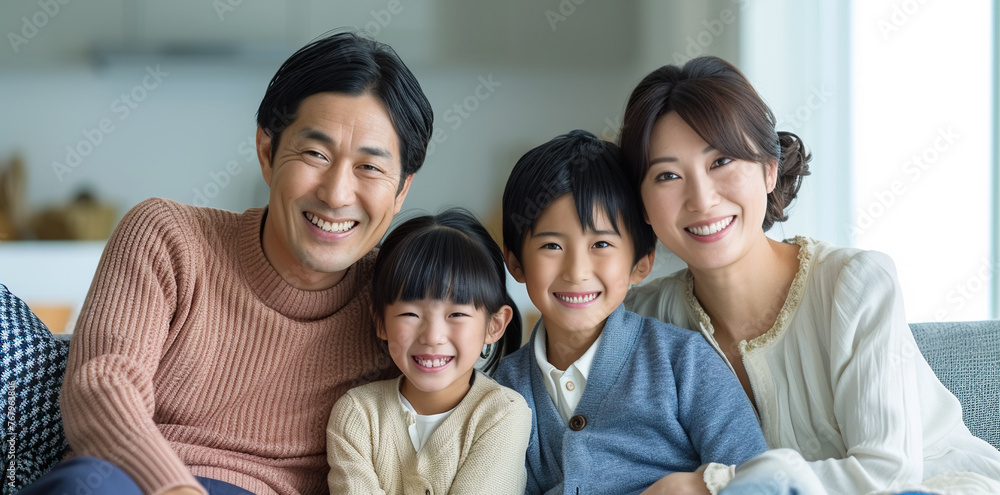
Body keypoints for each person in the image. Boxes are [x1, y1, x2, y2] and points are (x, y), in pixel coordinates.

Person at [17, 31, 434, 495]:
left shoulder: (401, 299)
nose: (336, 194)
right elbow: (103, 383)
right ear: (266, 151)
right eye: (315, 154)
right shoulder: (168, 237)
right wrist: (173, 487)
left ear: (402, 191)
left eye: (369, 168)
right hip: (127, 483)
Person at [619, 56, 1000, 495]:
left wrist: (711, 486)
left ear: (768, 168)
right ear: (643, 206)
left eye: (721, 161)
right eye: (667, 175)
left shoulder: (855, 284)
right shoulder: (641, 318)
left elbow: (888, 474)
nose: (702, 200)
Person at [493, 130, 774, 494]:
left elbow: (759, 479)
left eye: (602, 243)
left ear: (641, 263)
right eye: (551, 245)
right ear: (515, 263)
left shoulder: (683, 364)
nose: (576, 271)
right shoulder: (503, 389)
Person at [325, 209, 531, 494]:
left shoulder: (503, 413)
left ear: (494, 326)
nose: (432, 337)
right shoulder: (357, 413)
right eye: (410, 313)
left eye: (457, 314)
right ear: (380, 322)